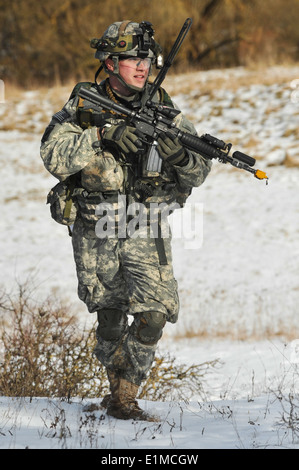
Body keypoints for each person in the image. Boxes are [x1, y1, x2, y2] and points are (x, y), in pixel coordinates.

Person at [40, 20, 212, 421]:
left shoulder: (165, 109)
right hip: (95, 225)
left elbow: (199, 171)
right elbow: (53, 155)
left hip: (146, 224)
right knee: (111, 315)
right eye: (133, 58)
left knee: (155, 314)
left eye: (147, 58)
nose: (142, 66)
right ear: (110, 62)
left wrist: (180, 158)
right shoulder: (83, 107)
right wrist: (102, 136)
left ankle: (125, 395)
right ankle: (116, 394)